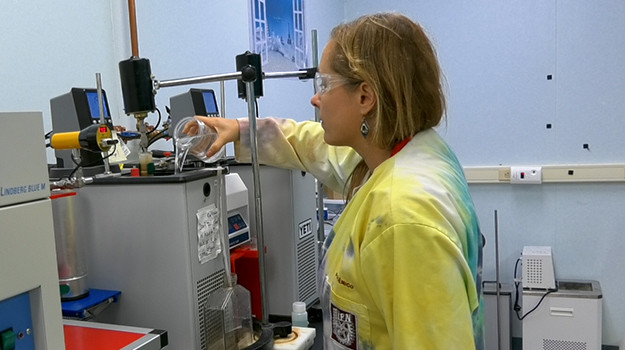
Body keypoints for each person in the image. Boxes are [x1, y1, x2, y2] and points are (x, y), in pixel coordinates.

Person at [194, 12, 484, 349]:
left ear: (365, 97)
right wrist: (241, 131)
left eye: (325, 85)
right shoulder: (408, 154)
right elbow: (313, 144)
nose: (315, 99)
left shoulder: (402, 215)